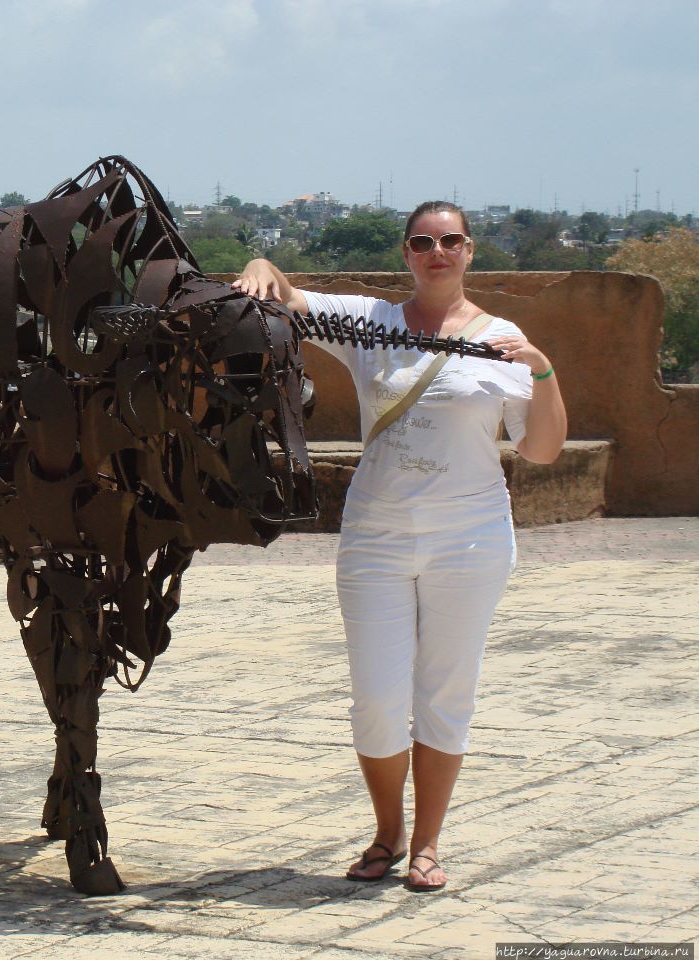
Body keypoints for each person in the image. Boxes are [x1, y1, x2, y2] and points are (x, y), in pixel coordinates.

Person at [233, 201, 567, 892]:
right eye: (422, 241)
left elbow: (539, 448)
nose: (436, 252)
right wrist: (262, 266)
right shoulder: (372, 324)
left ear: (469, 251)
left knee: (446, 691)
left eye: (449, 241)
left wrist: (542, 372)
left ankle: (427, 843)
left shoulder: (503, 339)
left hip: (468, 538)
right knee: (378, 699)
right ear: (407, 253)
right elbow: (290, 300)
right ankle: (386, 829)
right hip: (377, 537)